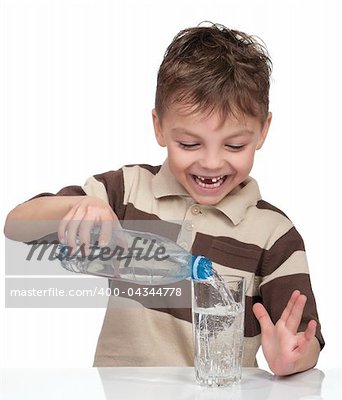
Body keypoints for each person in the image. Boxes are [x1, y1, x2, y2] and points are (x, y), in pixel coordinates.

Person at [4, 23, 324, 375]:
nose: (212, 162)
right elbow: (16, 225)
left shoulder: (274, 235)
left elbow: (304, 339)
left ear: (263, 130)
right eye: (189, 144)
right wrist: (79, 207)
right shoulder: (125, 192)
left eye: (234, 145)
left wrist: (292, 357)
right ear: (159, 127)